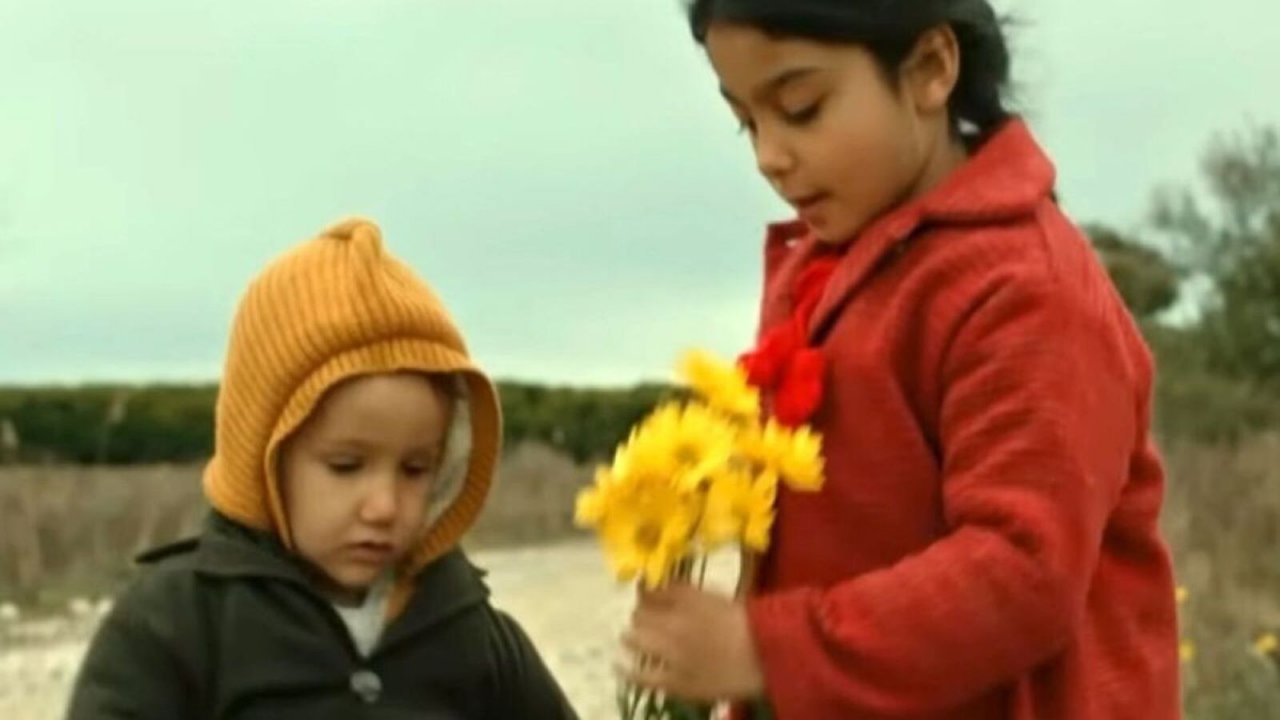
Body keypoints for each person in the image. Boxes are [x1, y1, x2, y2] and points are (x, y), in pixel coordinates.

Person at [622, 2, 1182, 718]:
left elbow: (1023, 571)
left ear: (929, 69)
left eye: (801, 107)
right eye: (747, 122)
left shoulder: (1024, 290)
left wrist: (764, 649)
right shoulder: (836, 266)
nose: (769, 155)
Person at [66, 217, 579, 719]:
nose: (384, 506)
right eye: (346, 466)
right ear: (264, 455)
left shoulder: (466, 627)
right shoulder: (176, 622)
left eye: (415, 468)